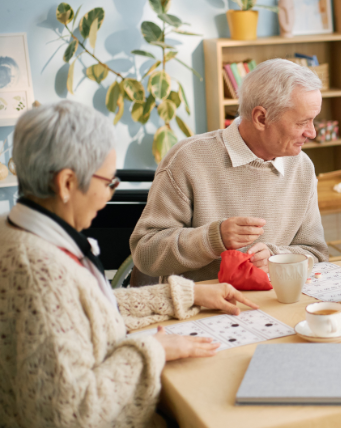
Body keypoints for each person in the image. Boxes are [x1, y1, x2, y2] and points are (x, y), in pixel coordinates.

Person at [0, 101, 258, 427]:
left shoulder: (16, 228)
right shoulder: (40, 273)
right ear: (66, 183)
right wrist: (152, 349)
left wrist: (189, 295)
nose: (109, 196)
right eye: (109, 183)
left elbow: (84, 310)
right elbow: (73, 412)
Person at [131, 59, 330, 282]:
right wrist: (212, 239)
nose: (312, 133)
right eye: (303, 122)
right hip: (202, 308)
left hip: (275, 303)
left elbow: (316, 254)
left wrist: (277, 257)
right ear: (261, 118)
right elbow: (145, 253)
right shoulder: (188, 159)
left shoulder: (301, 166)